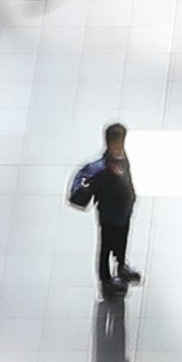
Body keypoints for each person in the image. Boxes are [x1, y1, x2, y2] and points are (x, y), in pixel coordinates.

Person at [75, 121, 143, 292]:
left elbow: (128, 178)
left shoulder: (122, 157)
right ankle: (105, 280)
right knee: (106, 245)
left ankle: (121, 265)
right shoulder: (103, 168)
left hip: (123, 212)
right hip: (109, 215)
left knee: (122, 240)